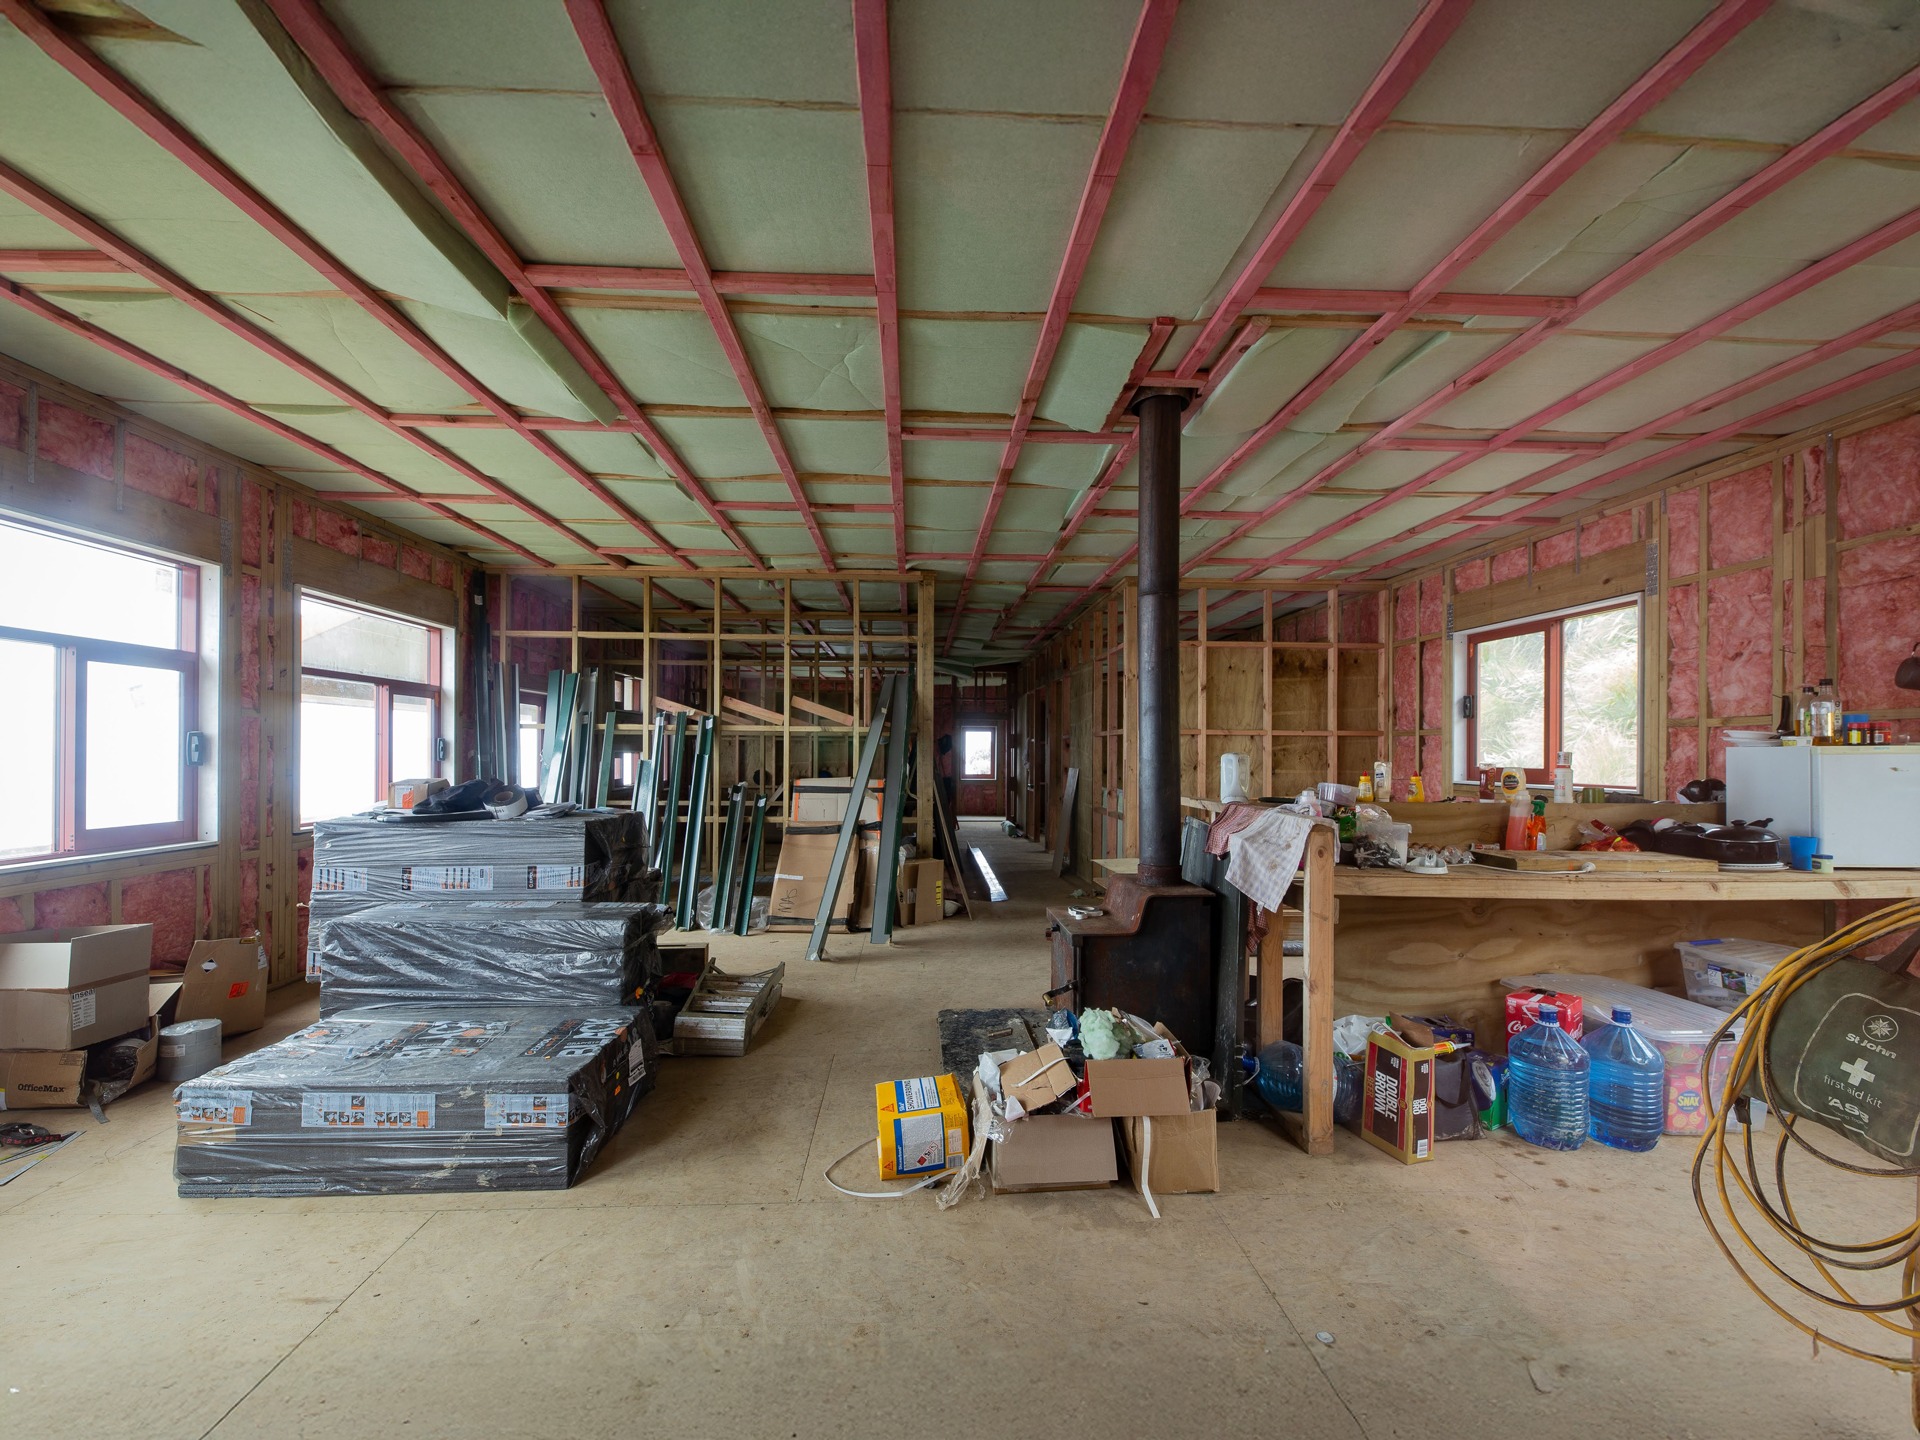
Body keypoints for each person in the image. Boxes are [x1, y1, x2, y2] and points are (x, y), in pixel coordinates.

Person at [936, 733, 957, 817]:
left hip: (947, 778)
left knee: (948, 797)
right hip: (942, 777)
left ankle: (947, 813)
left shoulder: (949, 749)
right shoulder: (939, 748)